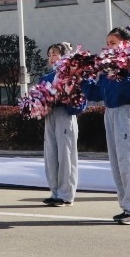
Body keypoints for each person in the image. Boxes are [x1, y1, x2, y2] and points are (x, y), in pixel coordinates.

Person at [83, 26, 130, 225]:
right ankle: (127, 206)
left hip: (127, 113)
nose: (108, 46)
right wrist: (83, 78)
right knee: (118, 163)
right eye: (107, 43)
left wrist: (120, 73)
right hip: (110, 114)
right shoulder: (109, 67)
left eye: (113, 43)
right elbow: (97, 94)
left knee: (129, 162)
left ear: (125, 44)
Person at [41, 42, 81, 207]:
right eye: (50, 54)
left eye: (55, 54)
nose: (51, 57)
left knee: (66, 154)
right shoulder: (46, 77)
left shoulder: (72, 76)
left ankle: (66, 194)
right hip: (50, 116)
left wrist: (65, 98)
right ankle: (55, 191)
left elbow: (79, 101)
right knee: (51, 154)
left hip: (65, 115)